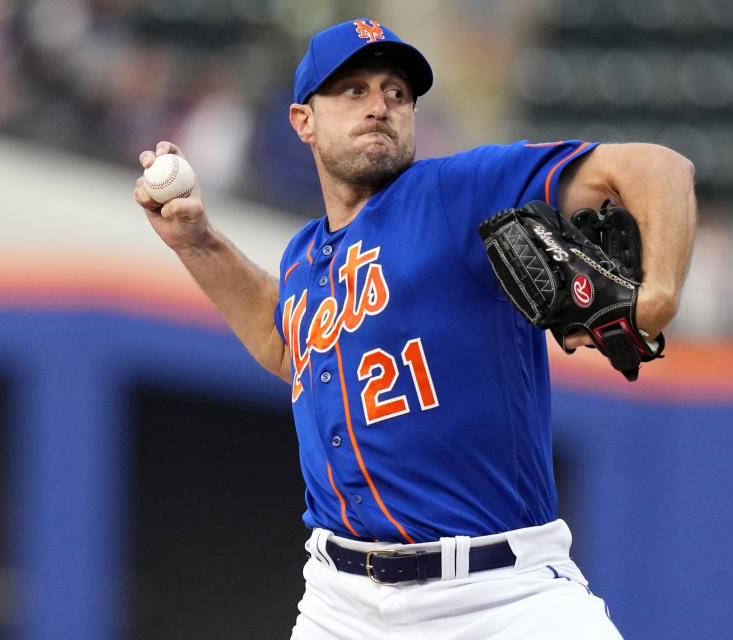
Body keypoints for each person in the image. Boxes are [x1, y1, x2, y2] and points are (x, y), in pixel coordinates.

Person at [133, 18, 696, 640]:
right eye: (353, 90)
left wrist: (659, 296)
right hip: (339, 602)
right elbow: (283, 344)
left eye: (396, 93)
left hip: (500, 595)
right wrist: (197, 242)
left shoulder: (456, 192)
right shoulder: (302, 256)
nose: (379, 106)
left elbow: (656, 167)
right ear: (303, 121)